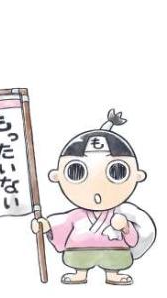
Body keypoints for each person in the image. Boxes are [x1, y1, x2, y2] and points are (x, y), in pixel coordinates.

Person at [31, 110, 156, 285]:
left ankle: (113, 274)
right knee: (77, 258)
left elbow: (132, 239)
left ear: (137, 176)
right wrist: (45, 226)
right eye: (76, 172)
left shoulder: (121, 213)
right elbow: (62, 224)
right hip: (79, 251)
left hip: (115, 252)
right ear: (57, 176)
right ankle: (80, 273)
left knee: (116, 259)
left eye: (117, 172)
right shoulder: (76, 215)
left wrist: (125, 227)